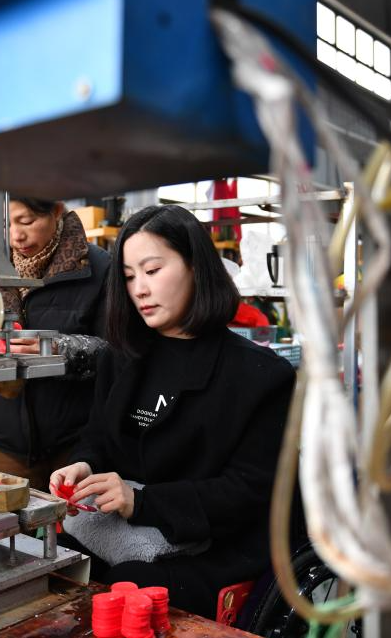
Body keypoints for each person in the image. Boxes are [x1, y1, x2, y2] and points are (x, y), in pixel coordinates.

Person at [50, 205, 296, 618]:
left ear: (196, 267)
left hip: (217, 545)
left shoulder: (259, 376)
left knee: (130, 589)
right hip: (129, 530)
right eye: (129, 276)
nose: (140, 289)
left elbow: (250, 491)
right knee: (53, 564)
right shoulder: (122, 357)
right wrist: (83, 465)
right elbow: (99, 436)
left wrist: (141, 501)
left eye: (152, 270)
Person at [0, 197, 110, 491]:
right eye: (6, 224)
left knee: (74, 519)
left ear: (56, 210)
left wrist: (59, 348)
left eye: (27, 221)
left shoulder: (98, 268)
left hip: (74, 445)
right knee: (3, 519)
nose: (16, 236)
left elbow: (117, 352)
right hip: (7, 442)